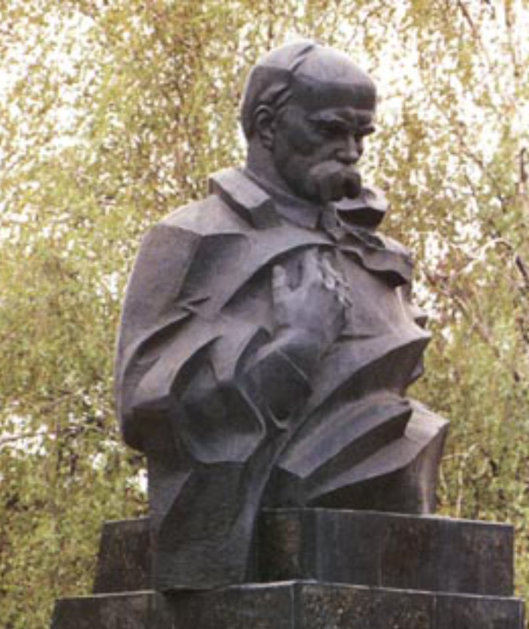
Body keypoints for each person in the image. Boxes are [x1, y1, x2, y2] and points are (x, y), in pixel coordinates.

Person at [115, 41, 448, 589]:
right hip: (265, 521)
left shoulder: (376, 255)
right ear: (267, 124)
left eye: (360, 136)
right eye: (329, 129)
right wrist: (296, 345)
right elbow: (147, 406)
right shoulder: (193, 239)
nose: (350, 152)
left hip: (377, 512)